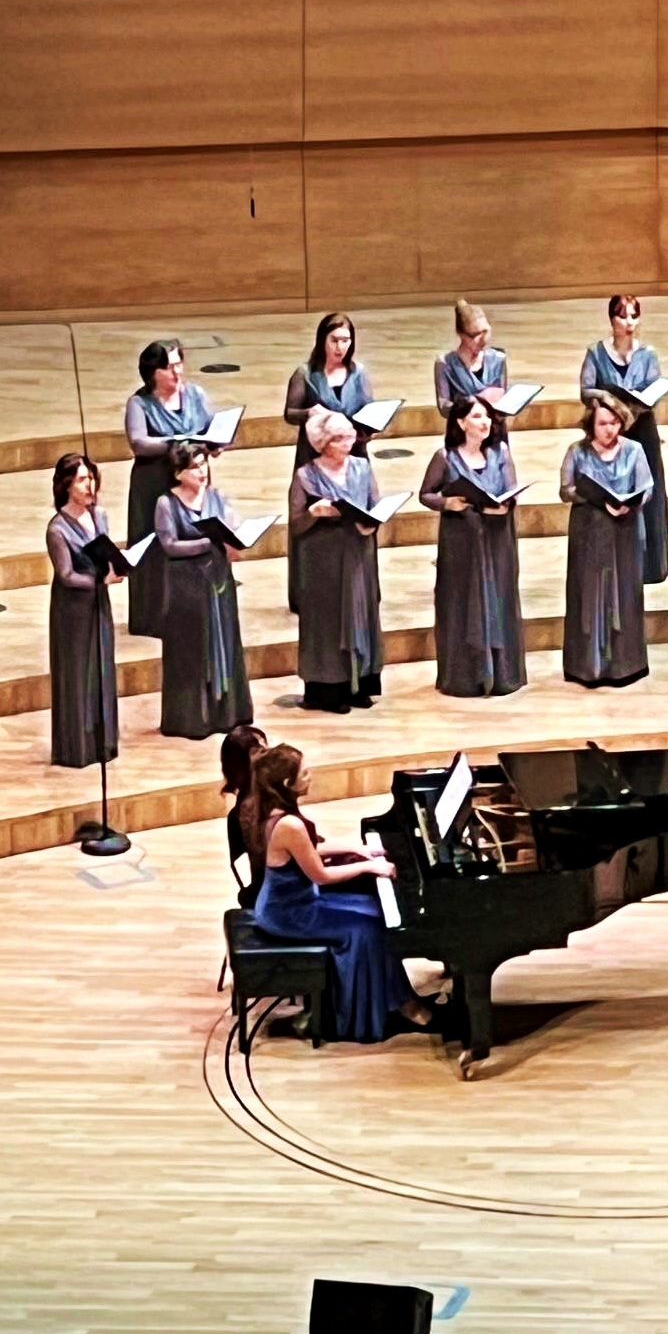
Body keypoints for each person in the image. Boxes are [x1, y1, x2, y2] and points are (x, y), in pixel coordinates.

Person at [245, 748, 427, 1045]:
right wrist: (370, 866)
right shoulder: (288, 824)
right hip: (289, 913)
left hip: (296, 902)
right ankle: (361, 1017)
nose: (310, 775)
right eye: (304, 772)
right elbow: (321, 875)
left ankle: (399, 1000)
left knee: (376, 912)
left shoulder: (277, 812)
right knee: (366, 930)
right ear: (288, 783)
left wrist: (356, 849)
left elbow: (307, 853)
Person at [423, 403, 529, 697]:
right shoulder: (445, 457)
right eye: (477, 416)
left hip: (497, 539)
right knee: (461, 600)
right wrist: (447, 503)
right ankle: (464, 677)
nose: (485, 422)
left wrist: (504, 505)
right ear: (461, 422)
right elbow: (427, 494)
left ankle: (503, 675)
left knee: (499, 599)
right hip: (461, 541)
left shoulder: (501, 454)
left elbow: (511, 490)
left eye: (487, 416)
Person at [154, 443, 258, 739]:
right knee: (192, 651)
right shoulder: (166, 503)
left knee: (223, 641)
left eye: (203, 464)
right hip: (185, 588)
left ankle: (226, 713)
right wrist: (210, 544)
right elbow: (170, 545)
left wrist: (235, 542)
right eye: (194, 467)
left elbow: (232, 530)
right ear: (178, 473)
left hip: (218, 582)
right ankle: (191, 719)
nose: (202, 471)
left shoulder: (216, 497)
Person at [288, 411, 389, 713]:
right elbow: (295, 523)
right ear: (323, 443)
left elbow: (375, 506)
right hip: (323, 560)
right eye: (341, 438)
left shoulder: (361, 468)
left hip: (358, 553)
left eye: (350, 435)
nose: (350, 442)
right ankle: (328, 691)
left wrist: (371, 525)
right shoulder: (306, 475)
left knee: (359, 614)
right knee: (328, 621)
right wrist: (313, 514)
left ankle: (359, 684)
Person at [579, 294, 668, 583]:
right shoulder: (596, 353)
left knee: (647, 489)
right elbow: (586, 391)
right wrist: (608, 397)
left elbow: (653, 389)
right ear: (612, 320)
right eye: (623, 316)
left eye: (634, 316)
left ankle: (651, 563)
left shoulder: (648, 354)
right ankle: (619, 561)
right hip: (611, 431)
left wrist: (638, 401)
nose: (629, 323)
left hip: (642, 430)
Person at [285, 311, 380, 606]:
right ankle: (307, 593)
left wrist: (367, 427)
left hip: (353, 452)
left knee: (357, 514)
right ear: (322, 340)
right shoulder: (305, 373)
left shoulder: (359, 373)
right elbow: (290, 413)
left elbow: (369, 409)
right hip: (315, 454)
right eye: (335, 340)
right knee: (312, 517)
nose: (341, 347)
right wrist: (309, 413)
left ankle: (362, 587)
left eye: (346, 340)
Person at [123, 338, 217, 636]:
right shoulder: (139, 403)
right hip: (152, 483)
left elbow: (210, 429)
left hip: (190, 482)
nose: (177, 373)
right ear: (153, 373)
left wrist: (212, 444)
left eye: (179, 365)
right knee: (154, 546)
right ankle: (153, 617)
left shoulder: (196, 395)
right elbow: (138, 442)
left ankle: (193, 609)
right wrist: (175, 443)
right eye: (169, 368)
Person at [562, 396, 656, 687]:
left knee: (624, 595)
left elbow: (647, 486)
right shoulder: (577, 452)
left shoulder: (634, 450)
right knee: (589, 595)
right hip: (589, 533)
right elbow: (566, 490)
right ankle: (588, 666)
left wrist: (630, 504)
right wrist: (594, 498)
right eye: (603, 423)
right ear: (591, 424)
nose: (609, 429)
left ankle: (624, 665)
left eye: (614, 423)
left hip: (623, 532)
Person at [46, 453, 125, 769]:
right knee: (78, 673)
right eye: (81, 479)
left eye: (91, 477)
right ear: (66, 485)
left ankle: (103, 742)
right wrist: (100, 580)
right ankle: (77, 747)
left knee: (102, 667)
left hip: (97, 602)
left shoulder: (99, 515)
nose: (89, 485)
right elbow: (65, 575)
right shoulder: (57, 529)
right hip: (73, 611)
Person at [436, 298, 520, 425]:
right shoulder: (445, 364)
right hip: (463, 436)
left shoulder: (497, 359)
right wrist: (476, 400)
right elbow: (444, 408)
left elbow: (502, 403)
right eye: (476, 335)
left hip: (494, 432)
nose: (483, 340)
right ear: (461, 334)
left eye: (485, 332)